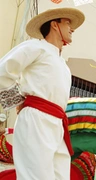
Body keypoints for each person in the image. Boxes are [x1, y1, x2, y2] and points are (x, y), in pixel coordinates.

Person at [0, 7, 85, 180]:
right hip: (36, 120)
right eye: (67, 22)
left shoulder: (63, 65)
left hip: (58, 124)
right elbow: (3, 73)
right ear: (55, 25)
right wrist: (18, 102)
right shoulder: (35, 46)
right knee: (35, 176)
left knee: (61, 176)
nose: (72, 28)